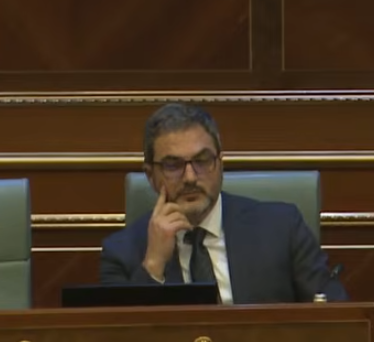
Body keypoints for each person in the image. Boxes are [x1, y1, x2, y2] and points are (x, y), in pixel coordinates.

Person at [99, 103, 347, 303]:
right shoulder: (121, 252)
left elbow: (337, 317)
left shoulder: (282, 228)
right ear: (150, 175)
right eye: (173, 165)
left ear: (220, 165)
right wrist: (153, 266)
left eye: (202, 160)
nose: (190, 177)